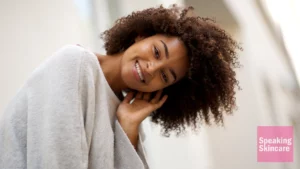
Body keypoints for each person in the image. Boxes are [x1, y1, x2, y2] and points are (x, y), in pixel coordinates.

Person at [0, 4, 241, 169]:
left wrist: (127, 129)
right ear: (141, 35)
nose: (151, 68)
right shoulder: (74, 63)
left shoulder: (127, 117)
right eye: (157, 51)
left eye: (165, 76)